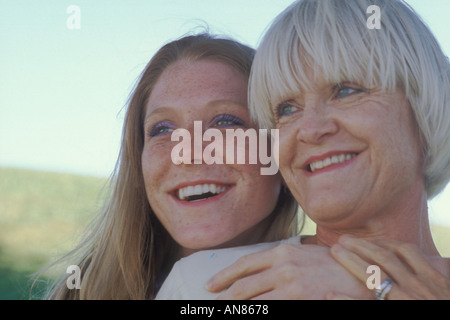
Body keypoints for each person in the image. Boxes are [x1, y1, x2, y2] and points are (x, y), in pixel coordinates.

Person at [207, 0, 450, 299]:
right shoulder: (209, 285)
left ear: (425, 107)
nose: (309, 130)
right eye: (286, 109)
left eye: (346, 91)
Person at [39, 33, 299, 299]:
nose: (187, 153)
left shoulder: (331, 282)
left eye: (225, 122)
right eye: (163, 129)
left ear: (278, 148)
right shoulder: (78, 293)